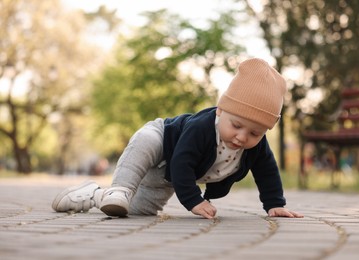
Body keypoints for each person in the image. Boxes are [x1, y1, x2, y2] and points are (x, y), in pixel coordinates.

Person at [52, 58, 303, 219]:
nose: (242, 137)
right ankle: (120, 189)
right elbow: (182, 161)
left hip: (169, 176)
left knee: (138, 211)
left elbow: (267, 171)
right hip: (164, 140)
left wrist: (274, 203)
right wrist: (193, 201)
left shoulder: (256, 147)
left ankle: (93, 195)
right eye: (236, 125)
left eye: (254, 133)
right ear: (220, 110)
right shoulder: (202, 128)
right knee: (145, 144)